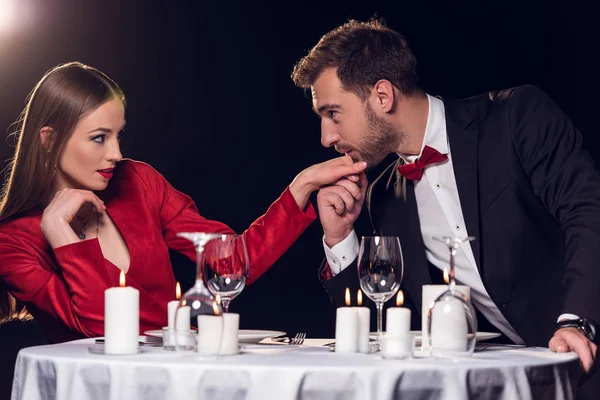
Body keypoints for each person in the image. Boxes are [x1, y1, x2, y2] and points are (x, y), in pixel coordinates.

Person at [291, 19, 600, 388]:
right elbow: (388, 327)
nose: (327, 137)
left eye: (332, 113)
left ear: (383, 96)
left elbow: (589, 211)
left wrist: (577, 322)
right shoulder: (384, 195)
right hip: (522, 380)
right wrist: (341, 238)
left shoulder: (517, 117)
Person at [0, 62, 367, 343]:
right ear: (48, 140)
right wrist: (59, 232)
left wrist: (300, 187)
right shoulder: (12, 242)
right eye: (99, 138)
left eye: (118, 135)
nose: (116, 153)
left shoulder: (137, 181)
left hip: (179, 376)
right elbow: (103, 331)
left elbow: (232, 263)